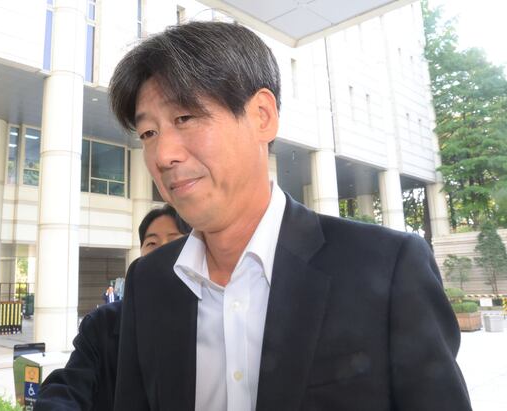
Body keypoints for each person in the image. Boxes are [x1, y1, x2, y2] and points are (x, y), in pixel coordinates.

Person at [108, 21, 472, 410]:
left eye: (184, 118)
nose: (163, 155)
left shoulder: (388, 267)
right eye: (148, 134)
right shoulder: (149, 281)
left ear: (261, 116)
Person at [36, 205, 191, 410]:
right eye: (152, 243)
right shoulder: (102, 323)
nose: (162, 250)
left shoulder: (209, 318)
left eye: (175, 241)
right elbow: (69, 386)